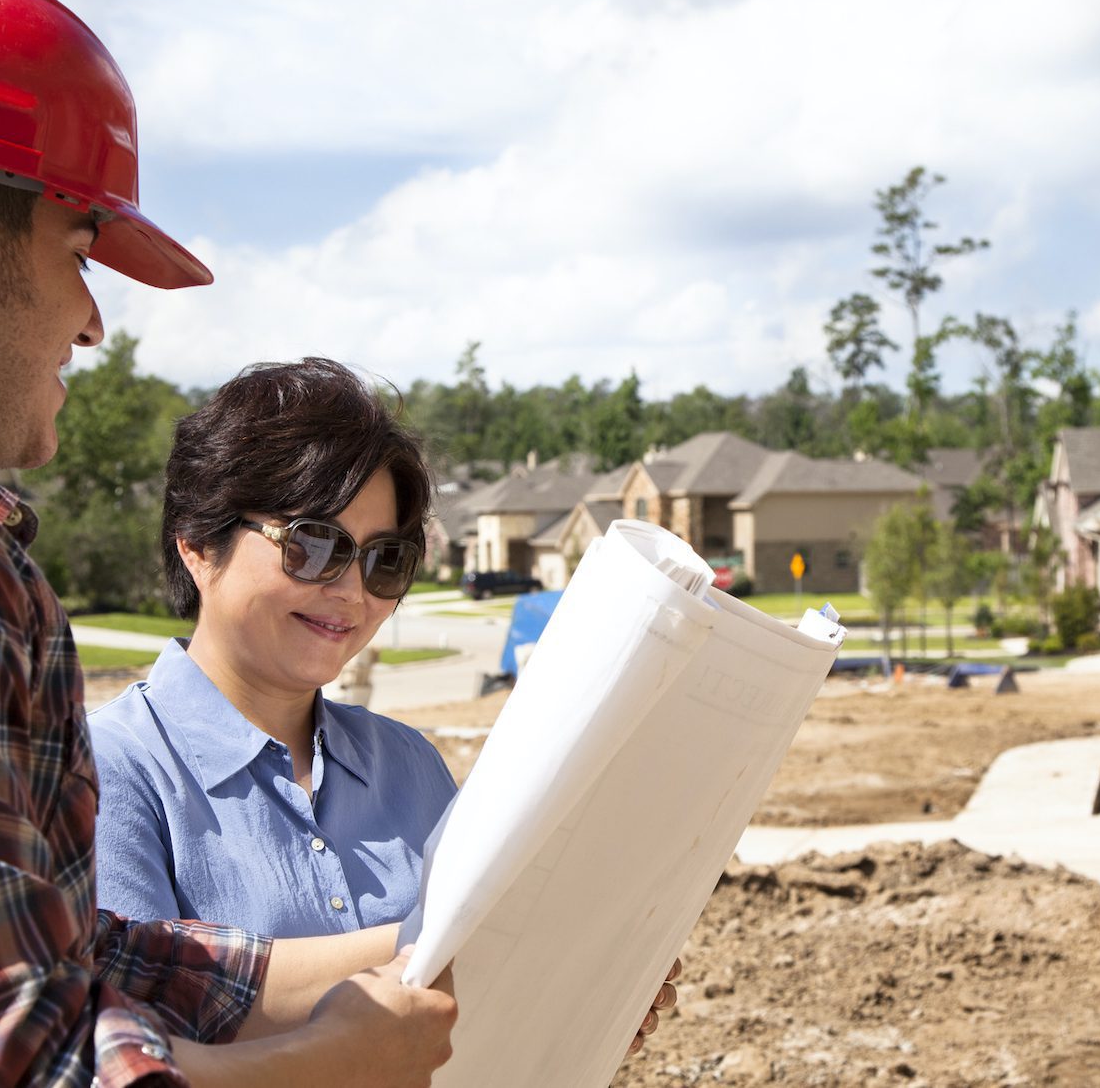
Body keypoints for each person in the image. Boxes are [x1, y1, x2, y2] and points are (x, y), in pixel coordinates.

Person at [0, 0, 455, 1085]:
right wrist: (334, 1064)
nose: (93, 323)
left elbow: (63, 952)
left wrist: (434, 957)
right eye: (77, 252)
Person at [90, 358, 678, 1051]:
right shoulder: (102, 771)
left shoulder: (411, 765)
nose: (351, 591)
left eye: (386, 559)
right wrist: (477, 956)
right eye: (313, 545)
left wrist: (576, 990)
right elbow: (119, 1047)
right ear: (197, 543)